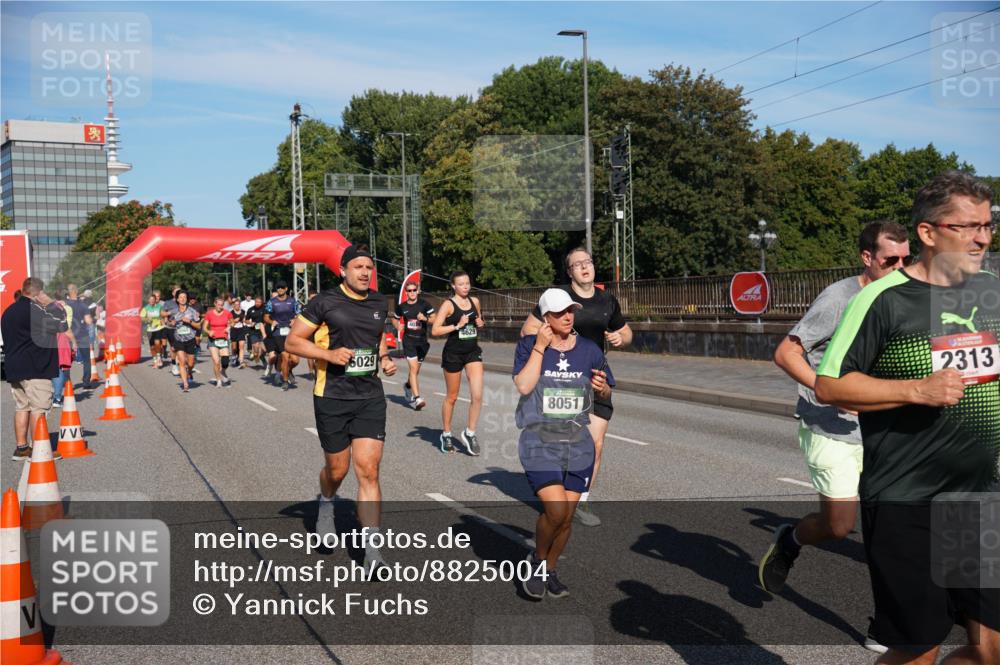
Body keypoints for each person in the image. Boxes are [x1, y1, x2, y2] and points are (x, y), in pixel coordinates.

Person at [815, 171, 1000, 664]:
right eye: (967, 226)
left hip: (978, 498)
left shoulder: (990, 290)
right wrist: (917, 389)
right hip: (906, 499)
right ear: (928, 232)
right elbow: (830, 384)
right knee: (918, 650)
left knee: (991, 650)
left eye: (988, 225)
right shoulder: (883, 299)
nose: (982, 237)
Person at [285, 245, 397, 569]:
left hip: (369, 397)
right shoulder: (325, 301)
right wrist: (329, 355)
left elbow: (377, 339)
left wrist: (385, 358)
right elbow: (293, 341)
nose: (365, 272)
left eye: (369, 267)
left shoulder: (378, 301)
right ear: (343, 270)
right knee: (338, 470)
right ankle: (326, 503)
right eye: (358, 267)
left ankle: (373, 552)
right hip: (332, 396)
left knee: (369, 470)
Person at [520, 247, 632, 527]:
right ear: (569, 272)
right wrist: (560, 337)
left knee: (594, 443)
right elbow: (527, 331)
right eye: (577, 264)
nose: (585, 267)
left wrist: (621, 337)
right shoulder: (557, 297)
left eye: (588, 262)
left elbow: (627, 331)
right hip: (563, 381)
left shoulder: (607, 300)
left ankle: (580, 499)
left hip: (596, 377)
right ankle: (556, 488)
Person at [514, 288, 613, 599]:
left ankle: (548, 569)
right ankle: (536, 562)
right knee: (555, 511)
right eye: (559, 313)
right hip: (539, 440)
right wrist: (541, 348)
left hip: (577, 441)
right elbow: (524, 385)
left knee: (567, 517)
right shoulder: (529, 345)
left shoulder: (588, 350)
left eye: (571, 310)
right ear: (546, 318)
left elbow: (607, 390)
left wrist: (601, 389)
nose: (568, 316)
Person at [2, 277, 68, 460]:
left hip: (15, 367)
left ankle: (22, 448)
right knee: (39, 408)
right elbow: (62, 325)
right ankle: (39, 450)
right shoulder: (35, 311)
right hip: (35, 367)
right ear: (38, 293)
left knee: (22, 407)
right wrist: (52, 304)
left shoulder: (9, 311)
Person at [431, 271, 485, 455]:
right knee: (452, 397)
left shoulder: (475, 301)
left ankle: (470, 433)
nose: (465, 286)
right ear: (453, 286)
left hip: (472, 352)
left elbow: (478, 321)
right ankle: (446, 434)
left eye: (467, 283)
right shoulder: (448, 305)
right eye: (461, 284)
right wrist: (456, 326)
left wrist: (480, 323)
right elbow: (435, 330)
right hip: (453, 354)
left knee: (477, 395)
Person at [392, 281, 435, 410]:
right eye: (409, 290)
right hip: (408, 341)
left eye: (414, 290)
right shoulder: (402, 306)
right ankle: (417, 399)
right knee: (414, 369)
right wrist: (397, 325)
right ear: (406, 292)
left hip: (422, 342)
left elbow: (434, 318)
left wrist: (425, 319)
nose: (411, 292)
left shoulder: (424, 304)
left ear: (417, 291)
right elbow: (394, 318)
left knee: (415, 371)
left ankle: (408, 386)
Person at [264, 281, 302, 391]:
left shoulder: (292, 301)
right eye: (278, 288)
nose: (280, 289)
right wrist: (272, 322)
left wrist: (295, 319)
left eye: (282, 287)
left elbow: (299, 314)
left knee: (295, 360)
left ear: (286, 289)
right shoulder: (272, 302)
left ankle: (288, 370)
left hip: (291, 332)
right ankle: (285, 381)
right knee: (285, 356)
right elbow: (266, 317)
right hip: (278, 332)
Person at [165, 290, 201, 392]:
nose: (182, 299)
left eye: (184, 297)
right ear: (177, 299)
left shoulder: (192, 311)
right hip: (178, 339)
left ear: (187, 299)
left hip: (190, 339)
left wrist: (189, 321)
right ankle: (185, 383)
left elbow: (198, 326)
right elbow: (167, 322)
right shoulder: (173, 311)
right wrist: (171, 323)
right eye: (180, 297)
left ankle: (189, 371)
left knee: (190, 363)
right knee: (181, 361)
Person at [64, 283, 95, 390]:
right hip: (82, 335)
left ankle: (67, 383)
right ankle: (86, 382)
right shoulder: (83, 305)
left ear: (68, 293)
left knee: (67, 361)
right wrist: (91, 318)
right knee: (86, 360)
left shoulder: (65, 305)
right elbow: (88, 321)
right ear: (76, 292)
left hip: (68, 336)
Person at [203, 297, 234, 387]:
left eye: (222, 305)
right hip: (213, 339)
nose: (220, 307)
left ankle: (223, 371)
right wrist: (209, 332)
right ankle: (218, 380)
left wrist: (229, 327)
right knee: (216, 361)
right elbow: (204, 327)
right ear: (215, 304)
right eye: (219, 305)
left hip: (223, 339)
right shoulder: (209, 314)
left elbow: (232, 322)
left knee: (225, 361)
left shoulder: (227, 313)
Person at [140, 293, 167, 369]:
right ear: (148, 300)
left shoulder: (159, 307)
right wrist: (147, 319)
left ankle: (159, 357)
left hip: (158, 327)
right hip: (150, 329)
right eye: (150, 299)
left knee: (157, 342)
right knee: (152, 347)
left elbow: (163, 314)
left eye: (153, 299)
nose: (151, 301)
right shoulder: (145, 308)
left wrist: (164, 319)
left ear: (155, 300)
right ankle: (155, 360)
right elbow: (142, 318)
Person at [245, 296, 267, 366]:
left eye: (259, 302)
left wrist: (265, 324)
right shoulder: (250, 309)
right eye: (256, 302)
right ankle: (256, 355)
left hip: (263, 330)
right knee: (256, 347)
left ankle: (262, 357)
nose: (257, 303)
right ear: (254, 302)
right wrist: (250, 323)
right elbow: (246, 320)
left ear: (262, 302)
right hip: (253, 330)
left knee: (264, 349)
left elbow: (268, 318)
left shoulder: (265, 309)